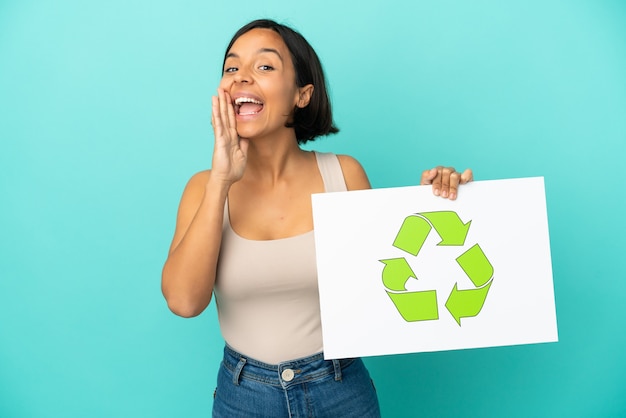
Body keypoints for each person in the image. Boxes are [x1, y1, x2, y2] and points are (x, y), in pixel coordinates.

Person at [161, 19, 473, 417]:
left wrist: (437, 205)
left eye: (265, 67)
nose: (242, 78)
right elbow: (185, 301)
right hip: (244, 397)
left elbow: (393, 281)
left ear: (302, 95)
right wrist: (221, 179)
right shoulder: (203, 188)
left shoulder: (344, 175)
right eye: (232, 68)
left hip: (341, 390)